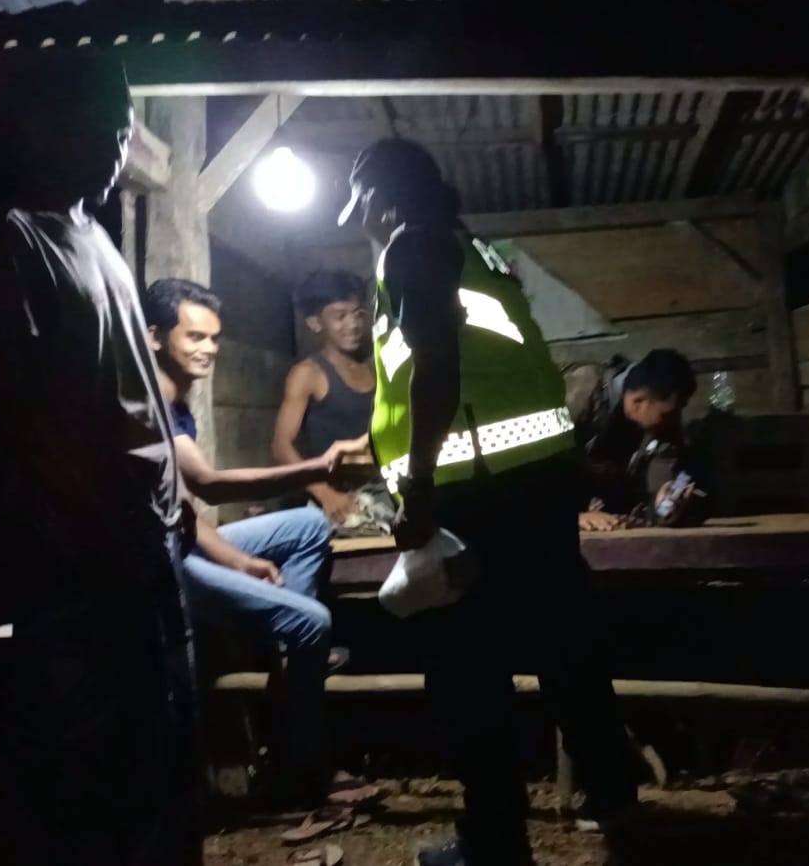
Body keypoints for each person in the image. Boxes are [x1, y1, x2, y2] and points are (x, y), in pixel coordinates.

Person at [0, 57, 201, 865]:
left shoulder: (98, 237)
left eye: (123, 126)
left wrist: (169, 508)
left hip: (145, 536)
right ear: (37, 127)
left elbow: (133, 392)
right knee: (99, 758)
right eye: (98, 124)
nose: (115, 143)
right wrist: (98, 526)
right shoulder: (6, 243)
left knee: (165, 732)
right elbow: (14, 412)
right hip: (81, 551)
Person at [338, 138, 640, 866]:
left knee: (467, 674)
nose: (363, 226)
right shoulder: (477, 251)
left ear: (380, 199)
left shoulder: (411, 247)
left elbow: (438, 366)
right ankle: (622, 810)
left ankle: (494, 841)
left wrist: (417, 486)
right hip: (535, 484)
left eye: (363, 211)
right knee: (567, 650)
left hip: (474, 495)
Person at [142, 277, 358, 806]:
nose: (209, 349)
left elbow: (181, 508)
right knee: (314, 621)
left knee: (307, 526)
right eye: (195, 337)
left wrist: (238, 560)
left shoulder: (177, 398)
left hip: (180, 539)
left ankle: (289, 651)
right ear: (154, 336)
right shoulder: (149, 402)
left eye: (214, 338)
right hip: (156, 561)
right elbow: (208, 485)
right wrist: (320, 469)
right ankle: (302, 768)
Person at [272, 269, 394, 535]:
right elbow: (281, 447)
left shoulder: (376, 367)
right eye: (340, 316)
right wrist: (325, 494)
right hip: (339, 492)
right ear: (315, 323)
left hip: (385, 484)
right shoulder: (308, 374)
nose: (353, 324)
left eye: (358, 314)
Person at [564, 349, 700, 531]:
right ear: (638, 401)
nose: (673, 420)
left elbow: (672, 484)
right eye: (667, 414)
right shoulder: (578, 392)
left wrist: (665, 510)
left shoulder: (662, 429)